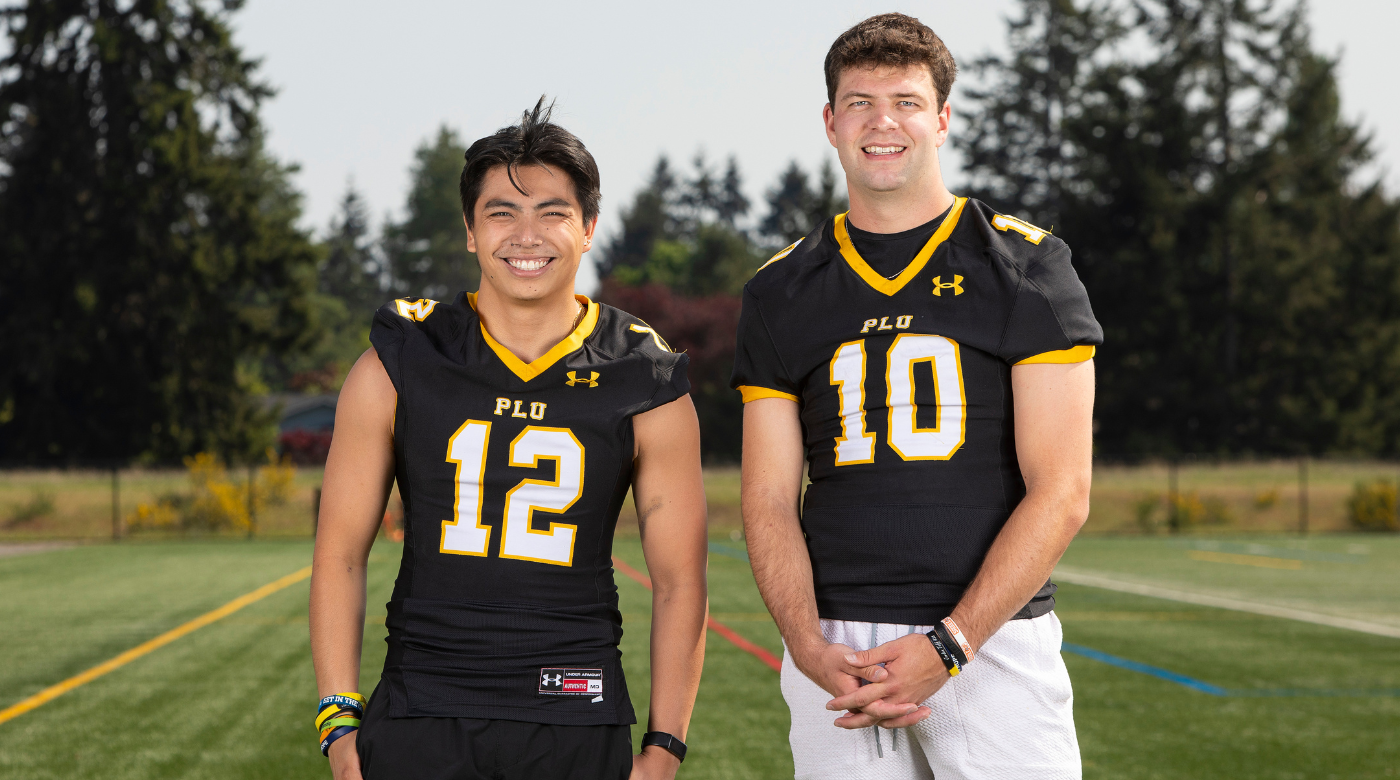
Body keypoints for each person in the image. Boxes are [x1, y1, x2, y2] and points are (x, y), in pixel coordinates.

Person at [732, 13, 1102, 780]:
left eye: (904, 100)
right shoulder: (780, 290)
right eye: (859, 102)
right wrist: (804, 643)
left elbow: (1063, 490)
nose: (882, 122)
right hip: (838, 647)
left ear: (941, 118)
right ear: (830, 123)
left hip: (990, 637)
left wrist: (952, 644)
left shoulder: (1025, 265)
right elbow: (767, 498)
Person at [309, 99, 708, 780]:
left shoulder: (642, 373)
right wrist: (339, 726)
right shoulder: (402, 357)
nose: (527, 236)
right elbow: (341, 552)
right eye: (502, 213)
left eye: (552, 212)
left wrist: (664, 749)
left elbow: (679, 582)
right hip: (421, 710)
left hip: (575, 711)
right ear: (470, 231)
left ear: (588, 228)